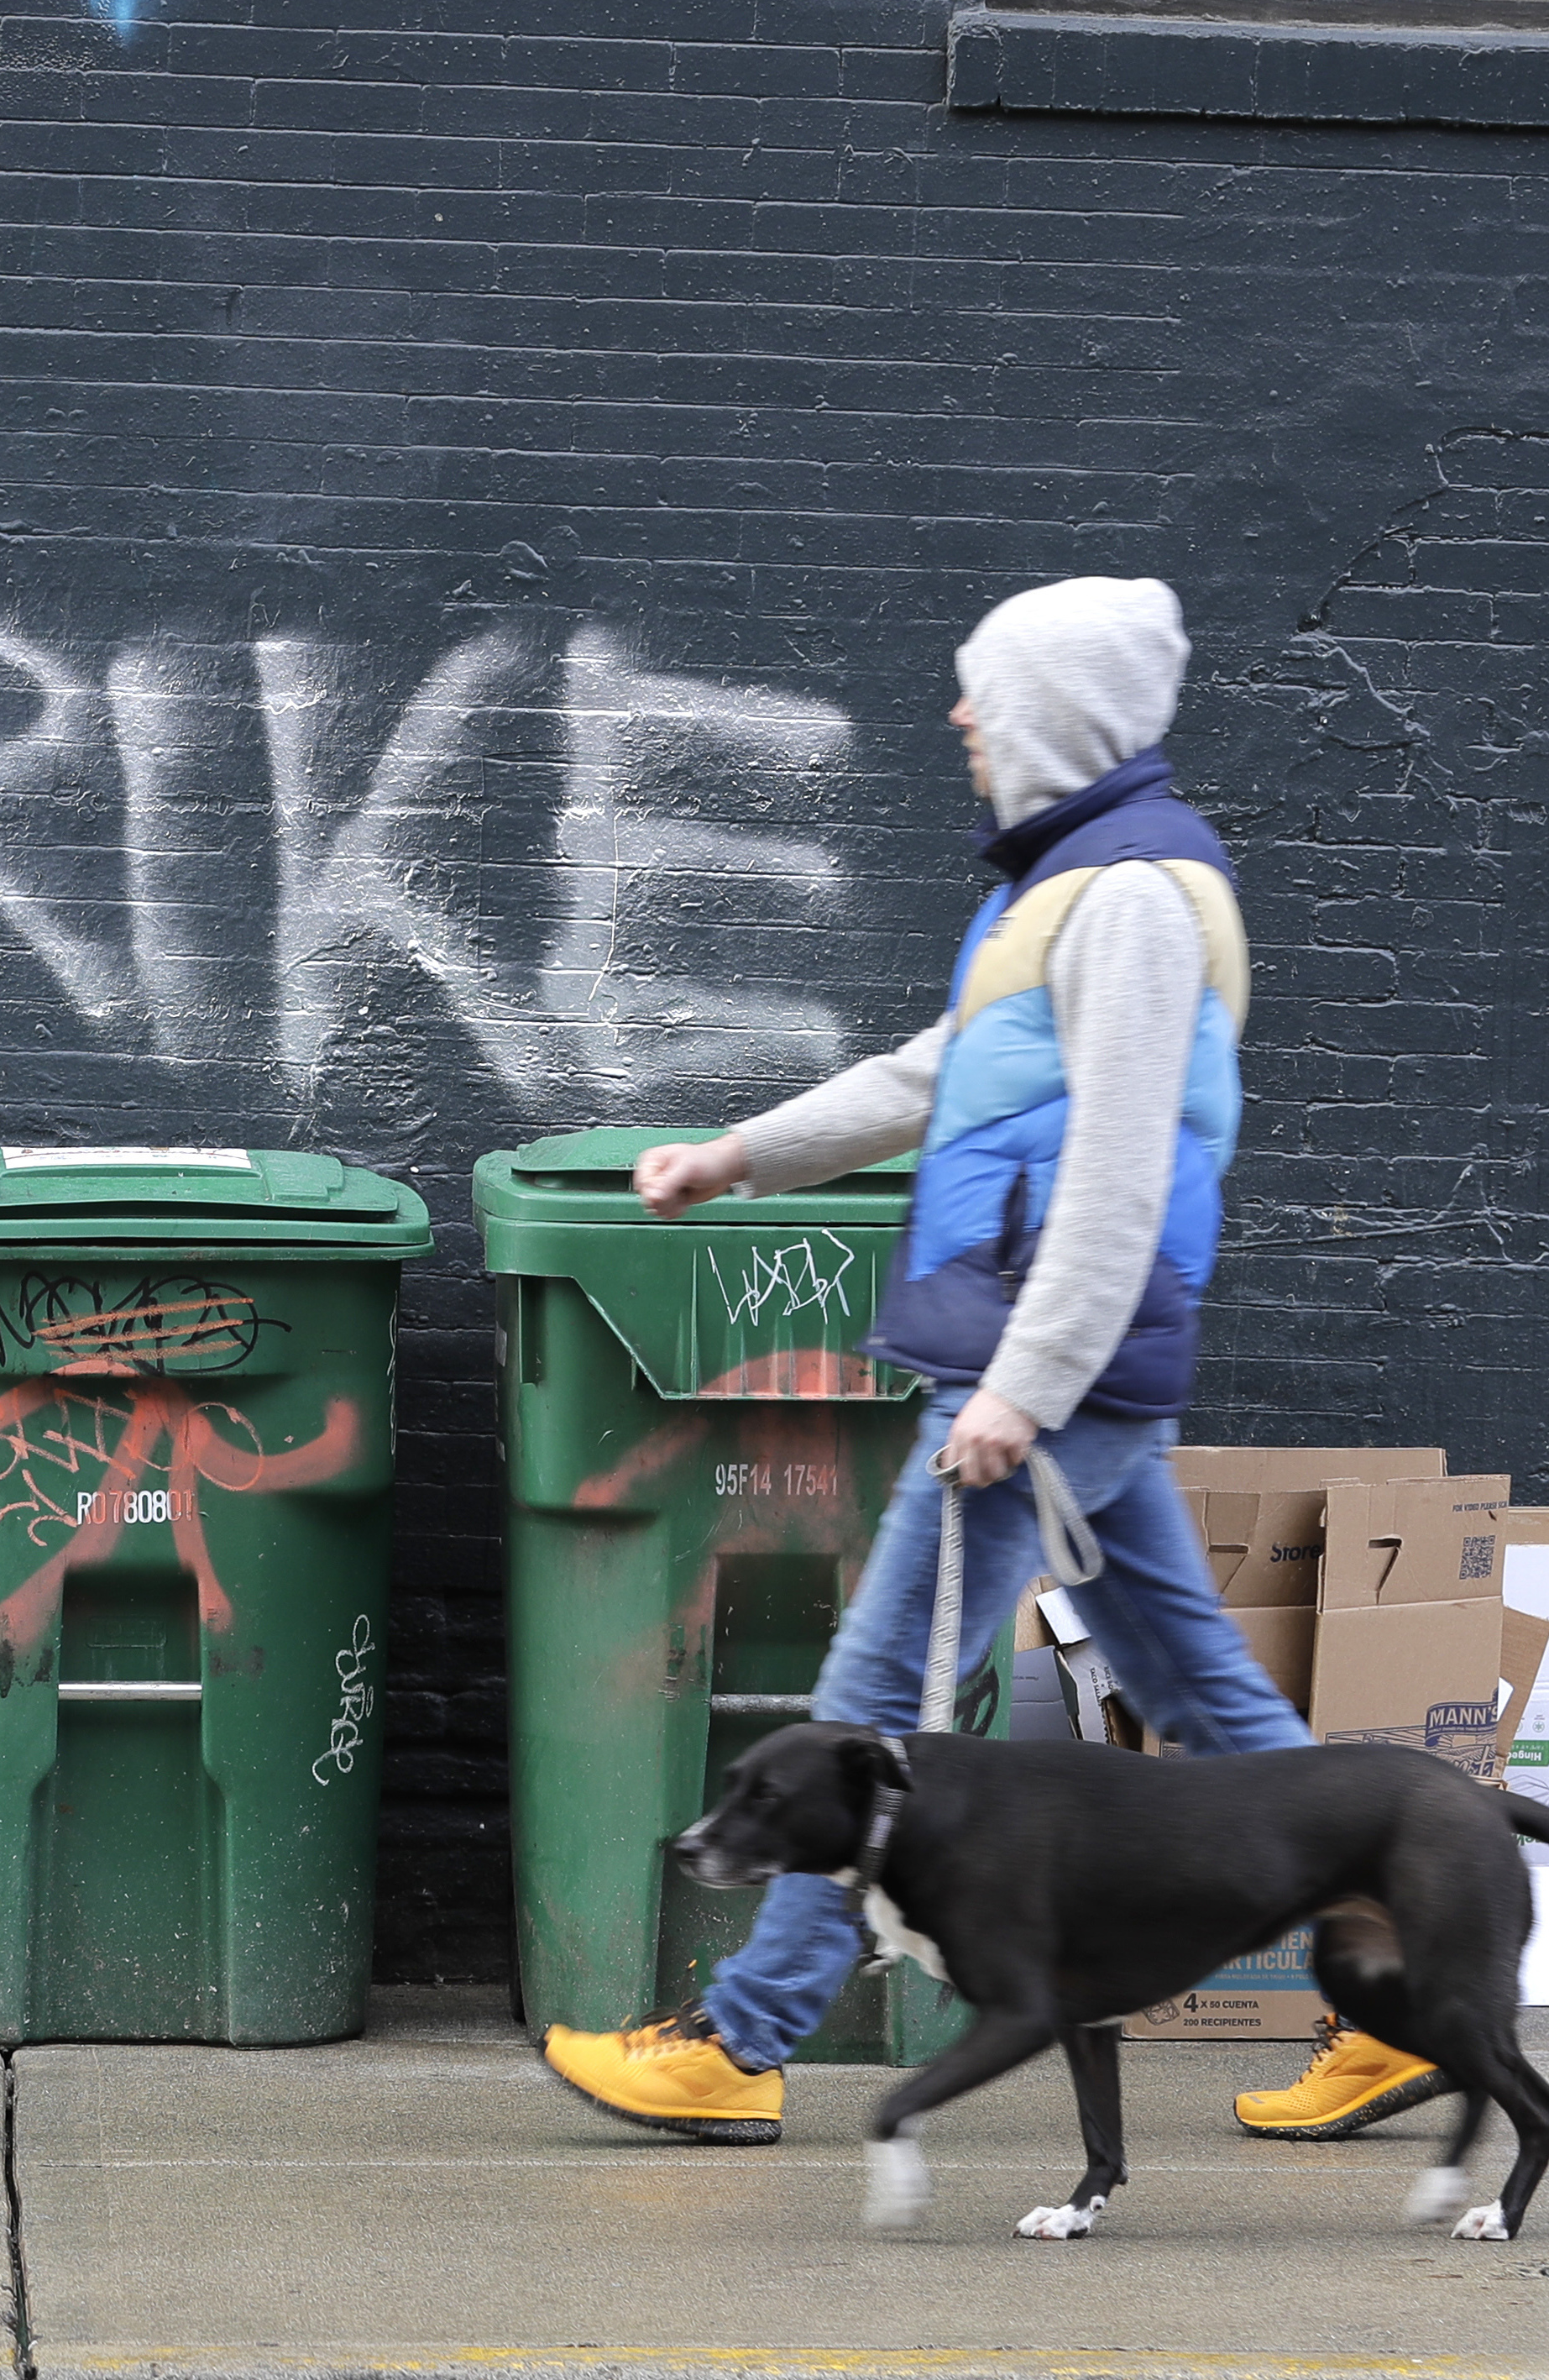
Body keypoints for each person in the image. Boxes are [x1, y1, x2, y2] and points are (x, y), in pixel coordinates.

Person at [538, 575, 1443, 2147]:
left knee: (868, 1707)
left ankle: (740, 2042)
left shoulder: (1140, 898)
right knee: (1202, 1692)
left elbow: (1120, 1169)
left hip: (1050, 1365)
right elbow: (935, 1072)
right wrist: (741, 1156)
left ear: (1051, 711)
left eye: (981, 691)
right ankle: (1404, 1995)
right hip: (1065, 1362)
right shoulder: (1069, 890)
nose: (957, 715)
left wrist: (1024, 1388)